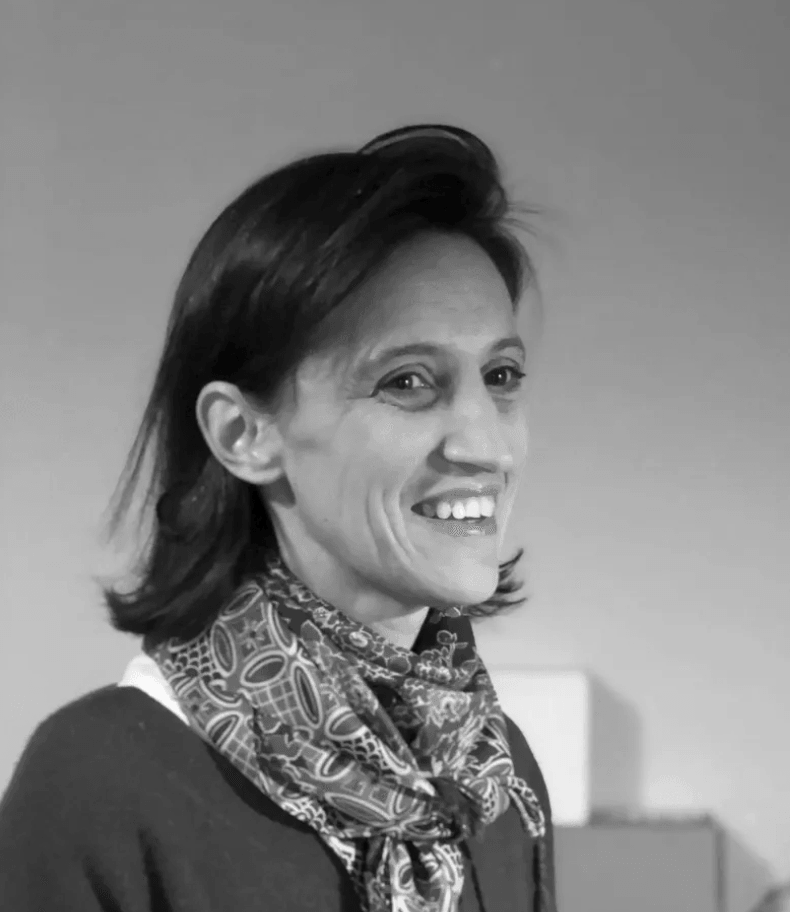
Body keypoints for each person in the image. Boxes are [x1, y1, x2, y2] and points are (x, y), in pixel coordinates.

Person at [0, 125, 555, 911]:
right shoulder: (104, 786)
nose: (486, 444)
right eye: (407, 381)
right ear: (243, 434)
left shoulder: (496, 777)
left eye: (500, 376)